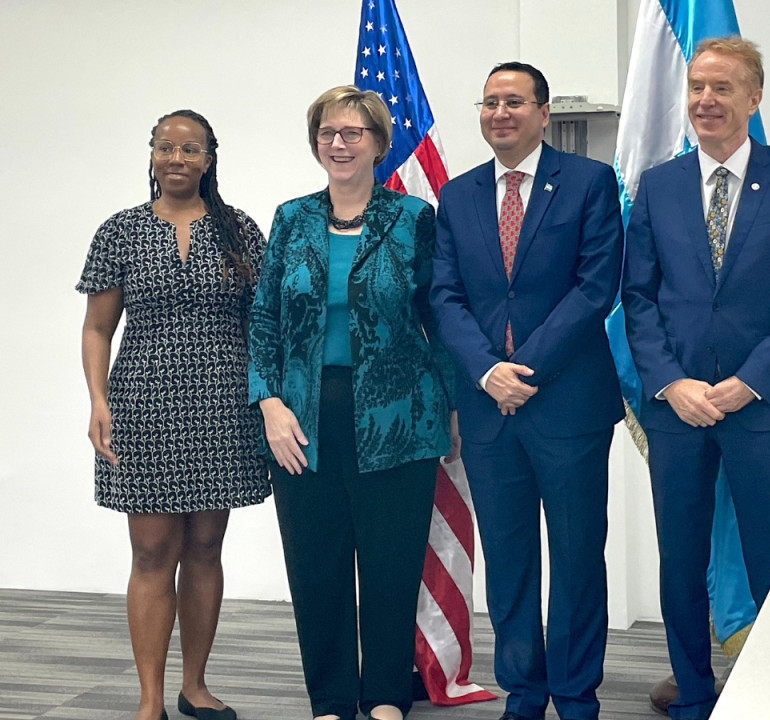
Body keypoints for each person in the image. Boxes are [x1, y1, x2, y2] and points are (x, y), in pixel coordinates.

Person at [622, 36, 770, 720]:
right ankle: (693, 690)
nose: (705, 100)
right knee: (680, 558)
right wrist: (668, 382)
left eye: (722, 88)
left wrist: (750, 381)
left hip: (763, 406)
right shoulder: (658, 184)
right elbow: (639, 296)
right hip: (677, 407)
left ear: (754, 97)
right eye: (696, 88)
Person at [247, 86, 457, 720]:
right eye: (328, 133)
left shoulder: (415, 218)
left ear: (379, 144)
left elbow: (440, 320)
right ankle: (332, 700)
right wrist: (268, 402)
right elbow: (262, 319)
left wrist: (449, 409)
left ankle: (388, 696)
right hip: (303, 420)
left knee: (392, 567)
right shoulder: (291, 218)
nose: (339, 144)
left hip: (400, 418)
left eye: (353, 133)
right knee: (318, 568)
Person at [430, 62, 624, 720]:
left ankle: (573, 694)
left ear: (544, 113)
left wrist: (525, 371)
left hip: (567, 404)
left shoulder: (590, 184)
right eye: (489, 102)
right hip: (488, 410)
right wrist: (488, 373)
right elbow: (444, 296)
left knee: (575, 558)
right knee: (509, 562)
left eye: (514, 102)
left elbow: (596, 287)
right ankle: (525, 691)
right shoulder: (456, 197)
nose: (499, 113)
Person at [77, 110, 269, 720]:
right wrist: (98, 398)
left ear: (211, 157)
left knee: (207, 545)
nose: (177, 159)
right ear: (152, 155)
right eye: (167, 147)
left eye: (191, 149)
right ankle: (149, 699)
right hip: (144, 403)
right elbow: (98, 327)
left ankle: (195, 687)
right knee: (152, 550)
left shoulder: (240, 230)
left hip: (223, 405)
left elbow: (262, 322)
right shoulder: (121, 231)